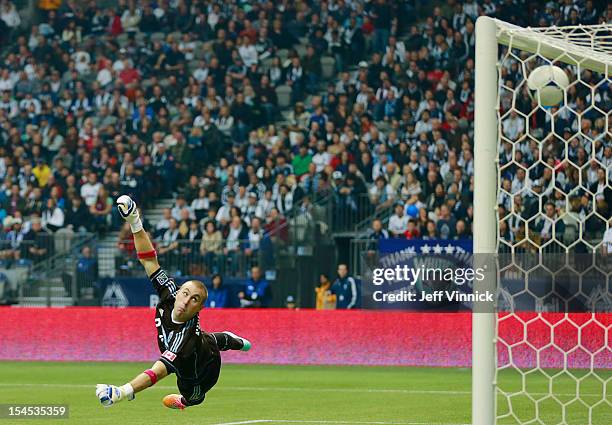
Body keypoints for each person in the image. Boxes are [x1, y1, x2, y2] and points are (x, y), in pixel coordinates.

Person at [96, 195, 251, 410]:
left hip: (202, 370)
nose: (186, 300)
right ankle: (226, 339)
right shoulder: (169, 292)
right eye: (185, 293)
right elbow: (149, 259)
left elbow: (157, 371)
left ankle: (190, 392)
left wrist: (123, 391)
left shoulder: (183, 340)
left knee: (194, 397)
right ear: (178, 292)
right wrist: (134, 220)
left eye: (194, 299)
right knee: (210, 340)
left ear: (200, 308)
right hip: (202, 342)